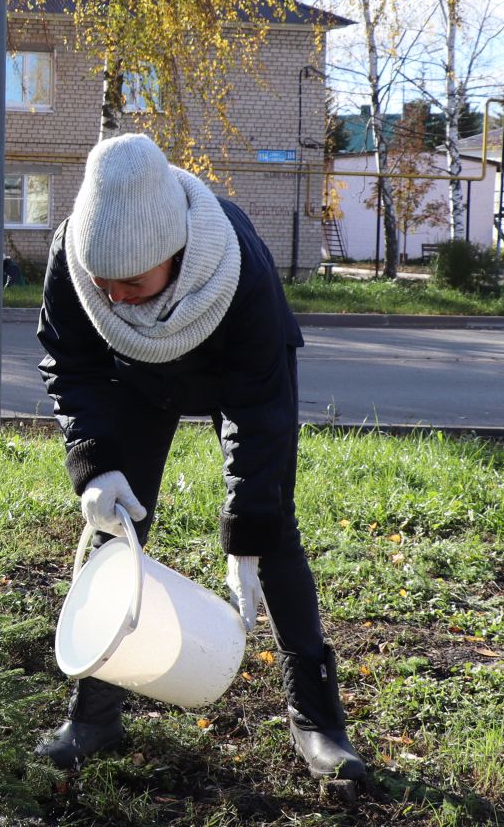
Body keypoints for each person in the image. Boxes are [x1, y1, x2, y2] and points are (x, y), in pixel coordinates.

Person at [33, 132, 365, 782]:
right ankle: (94, 714)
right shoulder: (73, 255)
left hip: (235, 376)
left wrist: (247, 529)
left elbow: (260, 414)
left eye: (130, 281)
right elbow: (67, 361)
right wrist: (93, 462)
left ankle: (317, 721)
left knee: (272, 531)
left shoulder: (237, 266)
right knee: (117, 530)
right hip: (132, 376)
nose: (115, 295)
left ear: (174, 254)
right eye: (103, 284)